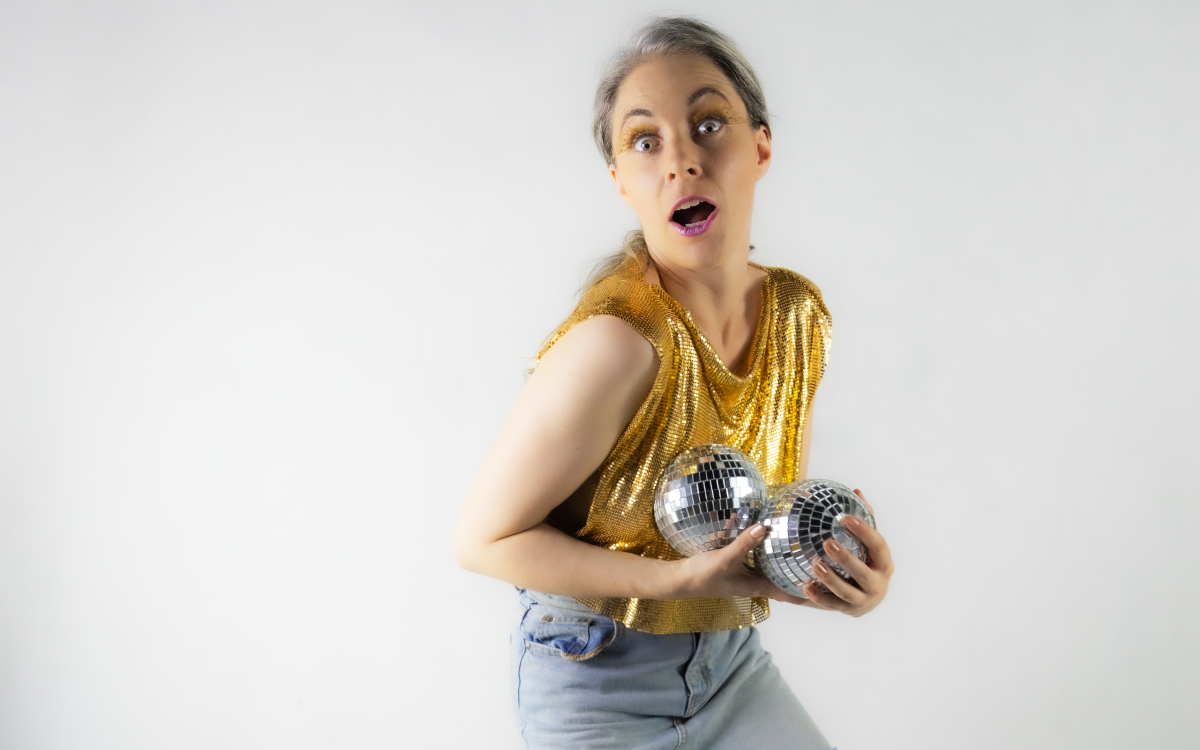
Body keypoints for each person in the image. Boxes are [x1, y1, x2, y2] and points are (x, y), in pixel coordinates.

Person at [453, 16, 894, 750]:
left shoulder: (797, 317)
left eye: (708, 124)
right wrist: (676, 584)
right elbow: (482, 540)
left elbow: (759, 526)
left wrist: (838, 577)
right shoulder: (616, 343)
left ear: (761, 147)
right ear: (621, 182)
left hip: (728, 666)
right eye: (645, 140)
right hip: (595, 678)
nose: (682, 160)